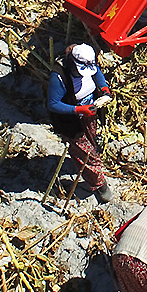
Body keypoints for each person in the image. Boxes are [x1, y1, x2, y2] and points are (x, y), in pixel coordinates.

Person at [46, 44, 113, 203]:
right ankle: (99, 185)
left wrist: (104, 89)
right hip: (71, 120)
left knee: (93, 144)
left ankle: (89, 167)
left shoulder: (89, 62)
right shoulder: (59, 76)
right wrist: (78, 109)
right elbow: (53, 103)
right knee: (88, 155)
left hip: (89, 112)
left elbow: (97, 74)